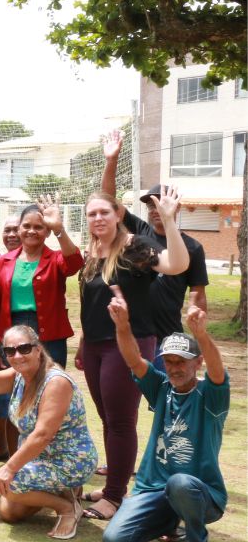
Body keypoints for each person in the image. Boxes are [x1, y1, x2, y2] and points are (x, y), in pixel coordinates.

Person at [76, 188, 189, 521]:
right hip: (96, 345)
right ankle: (114, 485)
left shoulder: (134, 246)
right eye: (92, 214)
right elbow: (91, 303)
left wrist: (168, 221)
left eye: (104, 213)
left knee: (121, 422)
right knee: (109, 420)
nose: (98, 218)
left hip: (128, 344)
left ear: (117, 215)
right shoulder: (95, 251)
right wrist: (84, 342)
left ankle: (113, 497)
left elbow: (176, 264)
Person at [102, 293, 228, 542]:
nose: (174, 368)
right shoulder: (161, 388)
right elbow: (135, 361)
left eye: (181, 361)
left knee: (180, 483)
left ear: (198, 363)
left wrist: (202, 335)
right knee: (115, 539)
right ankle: (169, 521)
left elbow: (218, 374)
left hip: (201, 493)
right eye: (169, 362)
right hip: (153, 490)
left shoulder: (210, 396)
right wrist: (122, 326)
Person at [0, 321, 98, 540]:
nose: (17, 355)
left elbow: (43, 435)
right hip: (39, 460)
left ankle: (67, 508)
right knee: (8, 512)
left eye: (24, 348)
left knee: (9, 484)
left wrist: (10, 468)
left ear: (38, 349)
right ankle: (61, 494)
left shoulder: (55, 382)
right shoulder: (18, 375)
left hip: (69, 461)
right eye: (10, 351)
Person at [0, 197, 82, 464]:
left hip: (48, 334)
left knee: (49, 392)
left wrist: (59, 228)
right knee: (11, 393)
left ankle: (49, 456)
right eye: (27, 225)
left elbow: (75, 264)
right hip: (11, 333)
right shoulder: (4, 261)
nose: (31, 231)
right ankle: (15, 458)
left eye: (39, 227)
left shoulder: (56, 258)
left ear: (46, 231)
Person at [102, 130, 209, 365]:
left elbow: (197, 292)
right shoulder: (138, 233)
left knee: (162, 398)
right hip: (135, 332)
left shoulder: (191, 247)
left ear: (175, 207)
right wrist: (112, 161)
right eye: (150, 204)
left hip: (168, 337)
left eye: (160, 203)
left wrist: (196, 324)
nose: (155, 209)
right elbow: (107, 201)